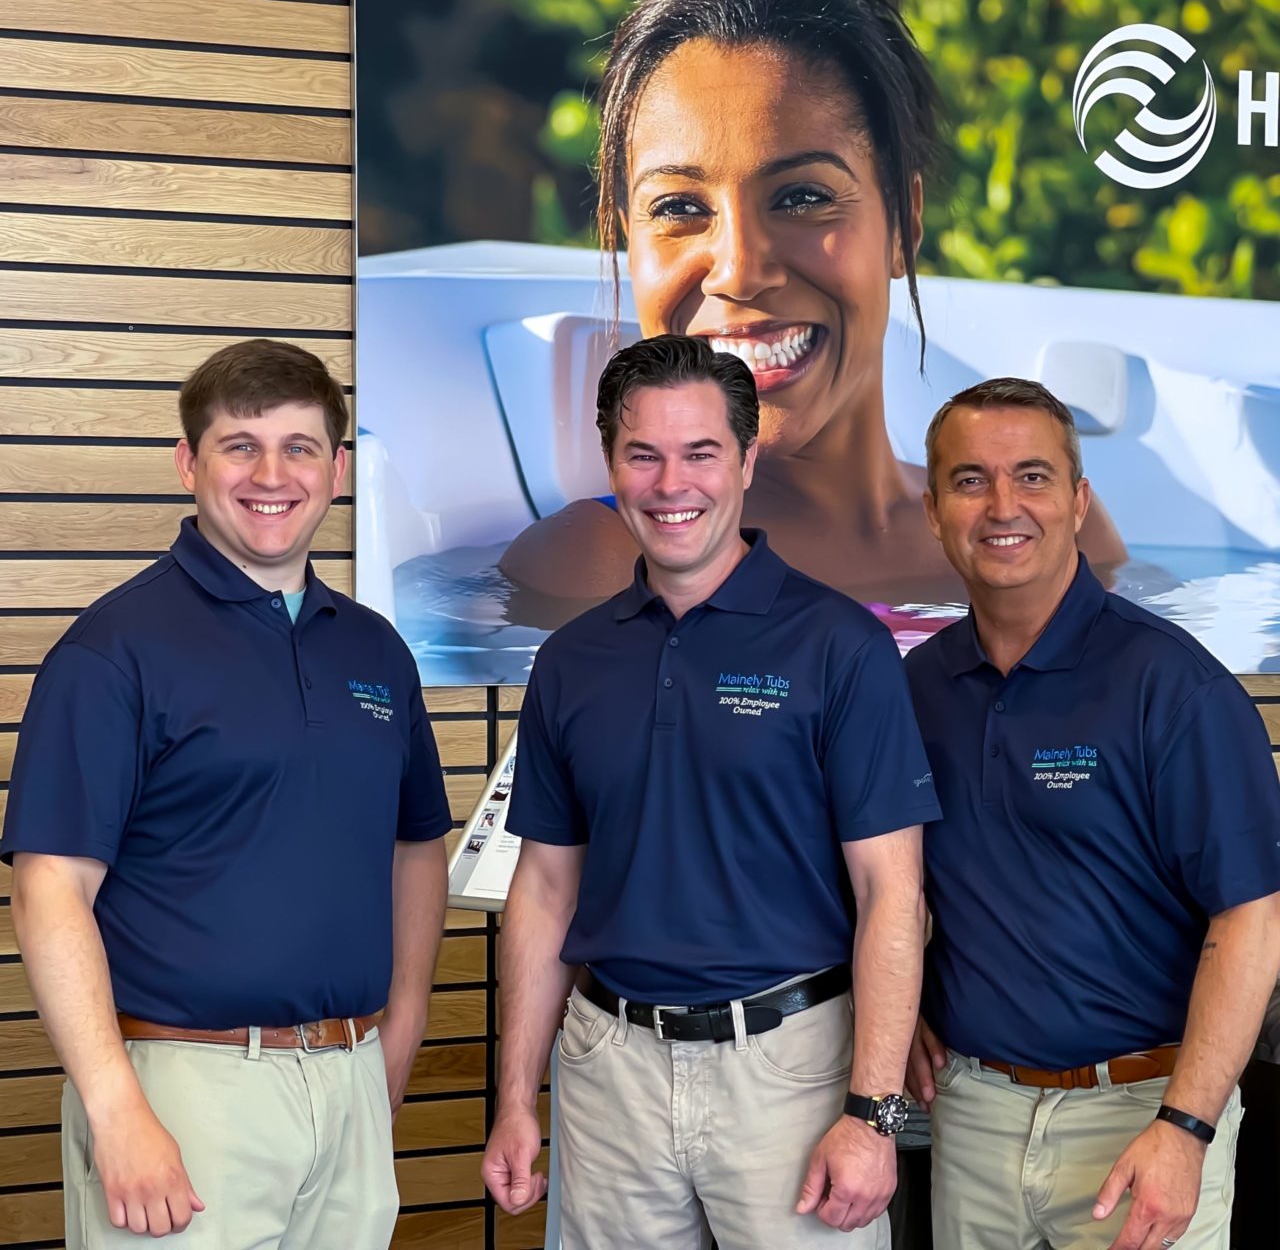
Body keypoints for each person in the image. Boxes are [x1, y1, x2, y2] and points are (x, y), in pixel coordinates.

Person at [480, 334, 940, 1248]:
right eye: (642, 454)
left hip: (792, 1070)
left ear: (745, 461)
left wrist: (873, 1114)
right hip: (608, 1069)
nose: (669, 484)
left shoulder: (838, 645)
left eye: (700, 453)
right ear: (611, 460)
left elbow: (893, 892)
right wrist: (514, 1099)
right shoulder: (572, 660)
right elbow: (543, 890)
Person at [4, 340, 453, 1248]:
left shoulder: (374, 652)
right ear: (188, 464)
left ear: (338, 467)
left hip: (350, 1075)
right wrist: (115, 1106)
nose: (271, 474)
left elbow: (416, 849)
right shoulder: (114, 652)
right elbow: (50, 889)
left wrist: (397, 1036)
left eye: (298, 446)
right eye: (239, 446)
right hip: (184, 1087)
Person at [499, 0, 1125, 619]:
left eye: (802, 198)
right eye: (680, 207)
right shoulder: (604, 567)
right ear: (632, 242)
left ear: (904, 221)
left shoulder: (1047, 536)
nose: (738, 272)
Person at [903, 377, 1280, 1249]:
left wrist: (1186, 1129)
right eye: (971, 480)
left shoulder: (1173, 688)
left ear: (1079, 501)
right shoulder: (913, 691)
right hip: (974, 1114)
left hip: (1141, 1117)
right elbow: (895, 885)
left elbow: (1253, 918)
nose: (1004, 505)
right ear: (932, 510)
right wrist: (906, 1006)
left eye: (1032, 477)